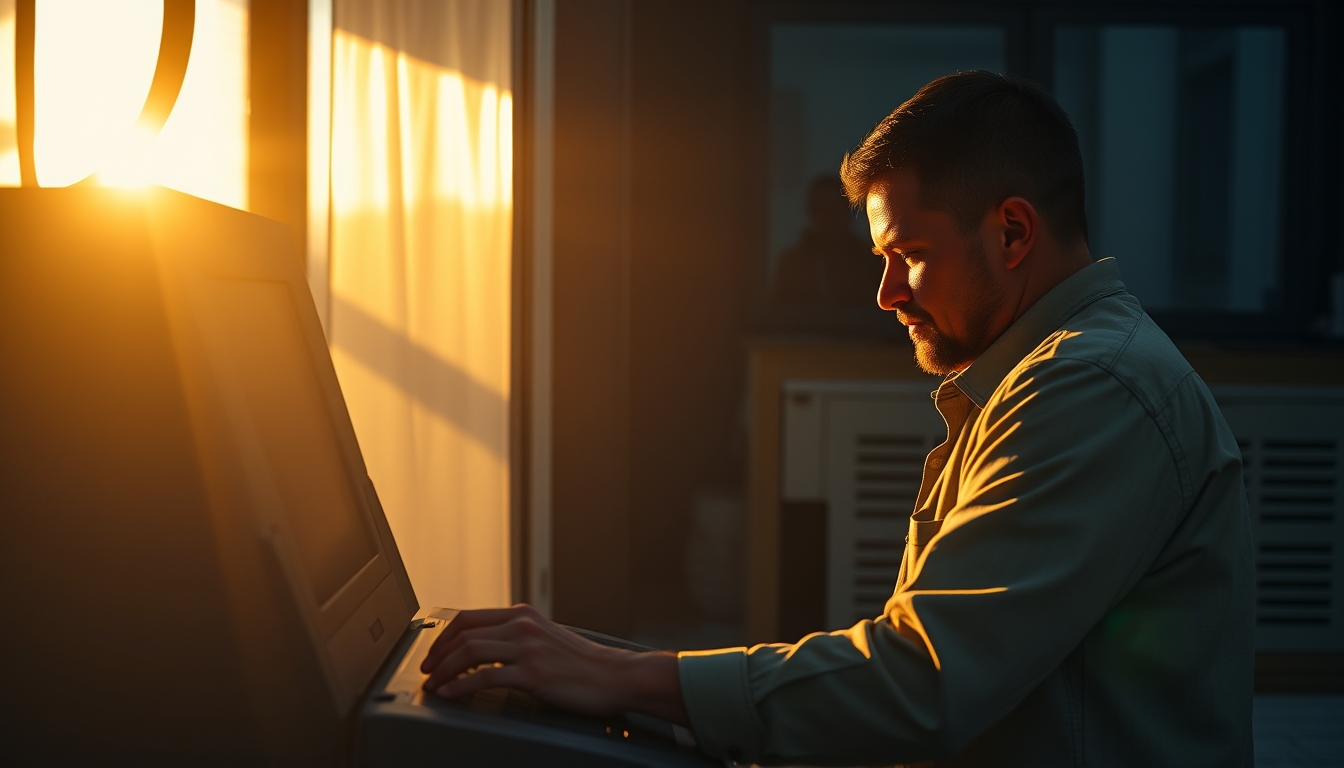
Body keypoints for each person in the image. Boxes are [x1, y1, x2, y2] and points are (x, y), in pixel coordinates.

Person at [419, 71, 1255, 766]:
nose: (887, 295)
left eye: (910, 256)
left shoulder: (1092, 387)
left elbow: (924, 683)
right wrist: (613, 665)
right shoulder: (1053, 373)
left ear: (1011, 232)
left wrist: (619, 677)